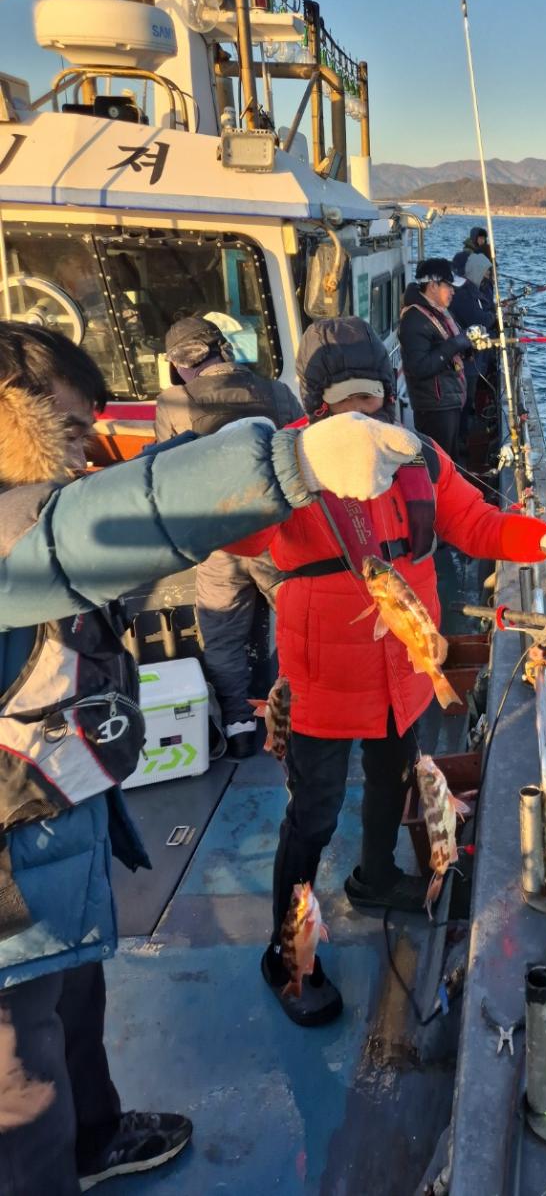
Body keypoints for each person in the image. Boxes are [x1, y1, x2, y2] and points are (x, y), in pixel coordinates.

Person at [0, 322, 422, 1194]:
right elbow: (105, 522)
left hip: (48, 826)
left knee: (72, 1002)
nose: (81, 461)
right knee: (18, 1081)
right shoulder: (22, 527)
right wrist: (286, 468)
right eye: (72, 435)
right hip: (16, 857)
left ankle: (95, 1136)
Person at [226, 316, 546, 1027]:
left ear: (389, 394)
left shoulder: (416, 455)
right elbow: (236, 532)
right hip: (324, 684)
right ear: (317, 402)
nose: (361, 417)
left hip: (406, 669)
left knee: (394, 774)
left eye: (372, 399)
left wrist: (538, 538)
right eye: (343, 403)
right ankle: (284, 950)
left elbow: (478, 523)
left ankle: (377, 876)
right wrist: (267, 469)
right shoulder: (289, 465)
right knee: (313, 813)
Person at [154, 315, 304, 756]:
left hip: (218, 543)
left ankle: (239, 723)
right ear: (224, 349)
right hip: (278, 539)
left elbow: (167, 477)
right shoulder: (278, 393)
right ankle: (305, 713)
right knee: (299, 625)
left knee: (221, 633)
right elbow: (303, 459)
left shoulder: (173, 402)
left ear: (179, 363)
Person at [398, 258, 475, 461]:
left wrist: (467, 347)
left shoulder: (437, 313)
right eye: (448, 285)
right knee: (440, 464)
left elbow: (444, 348)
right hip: (434, 408)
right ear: (433, 285)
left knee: (449, 461)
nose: (453, 291)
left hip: (448, 402)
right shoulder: (415, 319)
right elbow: (419, 367)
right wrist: (456, 344)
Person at [449, 255, 497, 444]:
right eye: (485, 270)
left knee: (468, 396)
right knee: (465, 398)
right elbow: (480, 319)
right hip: (468, 358)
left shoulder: (471, 290)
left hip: (473, 355)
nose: (488, 275)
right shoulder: (464, 294)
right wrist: (493, 315)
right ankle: (462, 439)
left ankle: (463, 435)